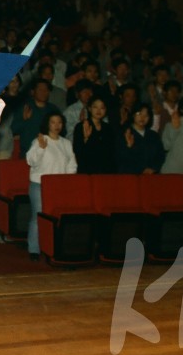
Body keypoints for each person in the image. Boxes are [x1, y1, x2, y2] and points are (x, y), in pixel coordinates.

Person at [26, 112, 77, 259]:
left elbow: (71, 164)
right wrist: (41, 148)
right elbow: (31, 161)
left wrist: (67, 182)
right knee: (38, 216)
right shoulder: (40, 140)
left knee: (57, 217)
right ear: (47, 124)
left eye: (59, 122)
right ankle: (34, 249)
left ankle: (54, 247)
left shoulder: (66, 143)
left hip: (59, 186)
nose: (56, 126)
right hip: (39, 184)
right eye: (53, 122)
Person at [72, 95, 117, 174]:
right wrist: (85, 139)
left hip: (105, 171)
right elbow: (77, 150)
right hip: (87, 170)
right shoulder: (81, 126)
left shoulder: (108, 128)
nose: (99, 110)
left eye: (102, 108)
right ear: (89, 108)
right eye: (95, 107)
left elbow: (111, 152)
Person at [116, 103, 165, 174]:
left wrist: (153, 168)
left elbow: (160, 155)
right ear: (133, 115)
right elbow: (119, 157)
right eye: (139, 114)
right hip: (130, 176)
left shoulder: (153, 135)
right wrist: (128, 147)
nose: (142, 118)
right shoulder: (124, 133)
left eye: (146, 115)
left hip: (151, 176)